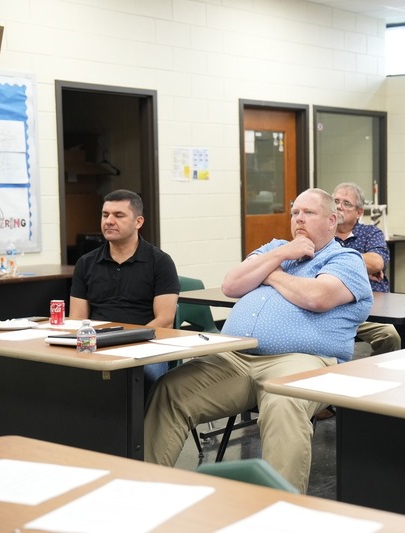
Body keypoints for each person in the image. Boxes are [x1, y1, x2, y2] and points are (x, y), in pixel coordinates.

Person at [143, 188, 372, 493]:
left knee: (284, 402)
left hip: (303, 360)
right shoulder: (275, 248)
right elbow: (232, 284)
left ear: (332, 220)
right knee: (171, 390)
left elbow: (316, 297)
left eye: (308, 213)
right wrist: (281, 255)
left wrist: (270, 273)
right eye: (294, 213)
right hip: (236, 357)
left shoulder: (345, 258)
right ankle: (144, 492)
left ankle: (280, 513)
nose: (298, 219)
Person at [70, 189, 180, 393]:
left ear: (138, 222)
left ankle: (143, 425)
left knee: (142, 377)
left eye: (118, 215)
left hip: (146, 346)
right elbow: (76, 319)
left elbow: (165, 319)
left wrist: (127, 344)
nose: (109, 221)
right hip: (98, 345)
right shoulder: (86, 263)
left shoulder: (160, 262)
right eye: (105, 215)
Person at [333, 182, 401, 355]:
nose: (339, 207)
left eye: (346, 203)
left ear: (359, 212)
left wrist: (333, 264)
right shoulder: (322, 232)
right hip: (331, 307)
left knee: (390, 335)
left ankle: (378, 374)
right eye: (336, 201)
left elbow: (377, 263)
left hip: (368, 306)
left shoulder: (371, 233)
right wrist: (360, 268)